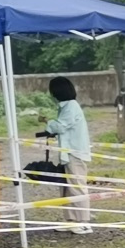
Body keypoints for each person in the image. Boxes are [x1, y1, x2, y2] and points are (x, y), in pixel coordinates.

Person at [36, 76, 92, 235]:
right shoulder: (65, 107)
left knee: (77, 186)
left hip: (74, 153)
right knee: (67, 187)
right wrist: (49, 123)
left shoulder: (71, 106)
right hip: (68, 153)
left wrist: (48, 122)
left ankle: (84, 222)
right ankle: (71, 220)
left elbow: (61, 126)